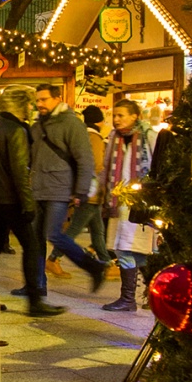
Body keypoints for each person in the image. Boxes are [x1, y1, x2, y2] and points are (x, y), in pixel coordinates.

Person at [0, 86, 63, 317]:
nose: (31, 108)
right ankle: (35, 301)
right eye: (29, 104)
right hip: (12, 199)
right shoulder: (17, 131)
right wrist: (28, 203)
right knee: (32, 247)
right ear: (20, 104)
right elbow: (20, 170)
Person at [20, 83, 107, 301]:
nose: (39, 104)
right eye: (37, 100)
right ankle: (36, 284)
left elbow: (85, 159)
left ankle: (94, 267)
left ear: (57, 98)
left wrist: (81, 190)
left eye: (44, 99)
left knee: (54, 234)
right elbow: (32, 157)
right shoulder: (38, 125)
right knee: (35, 238)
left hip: (60, 188)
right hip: (39, 188)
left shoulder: (71, 124)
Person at [101, 99, 159, 312]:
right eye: (114, 115)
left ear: (135, 116)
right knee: (129, 249)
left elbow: (158, 168)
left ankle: (130, 298)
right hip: (119, 202)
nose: (116, 120)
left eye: (121, 115)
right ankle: (143, 297)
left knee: (131, 249)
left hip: (140, 203)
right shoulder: (114, 138)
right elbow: (106, 169)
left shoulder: (149, 137)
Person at [47, 104, 114, 279]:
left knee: (97, 230)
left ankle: (107, 263)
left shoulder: (82, 135)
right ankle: (53, 258)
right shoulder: (95, 137)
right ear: (100, 121)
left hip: (89, 190)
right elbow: (98, 165)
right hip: (91, 190)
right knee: (75, 228)